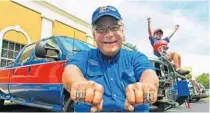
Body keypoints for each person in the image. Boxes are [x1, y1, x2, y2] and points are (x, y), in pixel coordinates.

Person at [62, 6, 159, 112]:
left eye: (114, 28)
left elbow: (149, 73)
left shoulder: (136, 57)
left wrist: (147, 86)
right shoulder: (83, 56)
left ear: (122, 31)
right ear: (94, 35)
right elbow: (71, 71)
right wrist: (78, 83)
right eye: (101, 29)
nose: (109, 34)